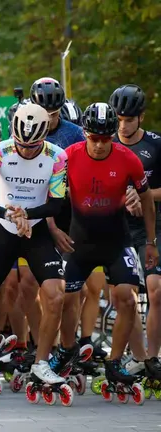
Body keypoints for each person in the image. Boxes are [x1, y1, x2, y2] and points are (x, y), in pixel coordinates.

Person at [0, 104, 69, 387]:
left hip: (35, 230)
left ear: (43, 137)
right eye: (21, 144)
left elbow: (57, 203)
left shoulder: (57, 156)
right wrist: (8, 213)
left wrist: (27, 214)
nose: (25, 151)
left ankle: (42, 362)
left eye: (32, 146)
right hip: (4, 228)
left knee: (56, 294)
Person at [61, 102, 157, 393]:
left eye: (106, 138)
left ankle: (114, 362)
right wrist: (53, 231)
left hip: (117, 241)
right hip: (78, 241)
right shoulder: (68, 156)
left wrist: (150, 242)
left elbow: (148, 201)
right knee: (66, 298)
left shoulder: (128, 159)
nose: (101, 144)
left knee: (127, 297)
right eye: (95, 138)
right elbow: (51, 196)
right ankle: (67, 350)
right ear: (85, 134)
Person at [110, 84, 161, 378]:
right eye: (119, 120)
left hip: (151, 228)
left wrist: (143, 196)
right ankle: (139, 357)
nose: (123, 126)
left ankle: (155, 357)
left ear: (140, 117)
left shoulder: (155, 146)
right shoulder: (106, 145)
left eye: (129, 120)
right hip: (118, 230)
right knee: (123, 296)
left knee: (156, 291)